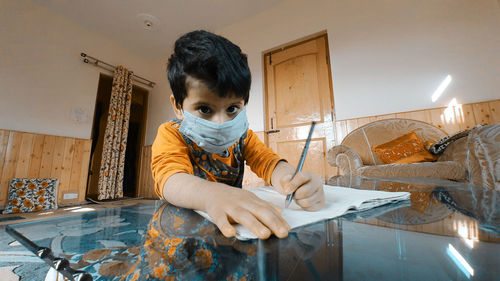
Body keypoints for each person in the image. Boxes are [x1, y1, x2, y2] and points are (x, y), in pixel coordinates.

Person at [151, 30, 324, 240]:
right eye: (205, 109)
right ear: (178, 106)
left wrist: (291, 181)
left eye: (232, 108)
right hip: (178, 232)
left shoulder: (243, 137)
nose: (221, 123)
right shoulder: (171, 133)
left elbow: (268, 162)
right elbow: (169, 180)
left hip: (230, 234)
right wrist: (213, 195)